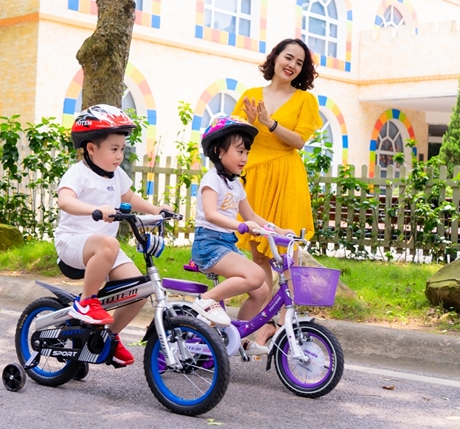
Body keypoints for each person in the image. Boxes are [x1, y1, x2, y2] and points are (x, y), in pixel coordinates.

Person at [55, 104, 171, 366]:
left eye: (122, 149)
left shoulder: (116, 174)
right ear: (91, 148)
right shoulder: (78, 173)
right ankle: (86, 303)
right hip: (74, 243)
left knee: (139, 289)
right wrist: (94, 209)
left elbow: (128, 197)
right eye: (114, 149)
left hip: (105, 249)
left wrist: (156, 210)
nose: (120, 155)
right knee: (109, 242)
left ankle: (108, 339)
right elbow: (65, 201)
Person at [232, 38, 322, 339]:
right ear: (275, 58)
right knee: (259, 255)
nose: (292, 65)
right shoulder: (250, 95)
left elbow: (299, 141)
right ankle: (261, 324)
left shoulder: (305, 101)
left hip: (286, 177)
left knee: (287, 253)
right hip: (254, 177)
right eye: (289, 57)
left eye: (299, 62)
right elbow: (235, 136)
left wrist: (269, 124)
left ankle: (287, 322)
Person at [190, 116, 292, 353]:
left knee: (261, 291)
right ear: (219, 151)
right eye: (239, 151)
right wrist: (239, 226)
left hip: (226, 243)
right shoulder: (211, 179)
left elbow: (253, 216)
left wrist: (278, 230)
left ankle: (238, 336)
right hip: (209, 243)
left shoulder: (236, 184)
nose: (244, 157)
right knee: (256, 275)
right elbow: (212, 214)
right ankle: (207, 300)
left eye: (246, 152)